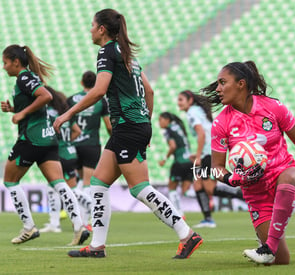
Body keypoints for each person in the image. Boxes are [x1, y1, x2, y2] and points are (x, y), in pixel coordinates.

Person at [53, 9, 203, 258]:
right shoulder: (128, 55)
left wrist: (68, 113)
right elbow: (150, 92)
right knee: (98, 184)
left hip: (128, 127)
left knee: (139, 188)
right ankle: (97, 246)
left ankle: (187, 233)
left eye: (92, 25)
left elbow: (99, 90)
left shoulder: (107, 51)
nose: (90, 29)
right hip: (133, 126)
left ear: (102, 29)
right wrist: (146, 123)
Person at [202, 61, 295, 264]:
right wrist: (231, 178)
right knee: (281, 261)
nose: (218, 89)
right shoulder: (221, 123)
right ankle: (271, 248)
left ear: (241, 84)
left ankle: (267, 247)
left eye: (223, 82)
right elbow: (216, 167)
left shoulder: (273, 107)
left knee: (288, 178)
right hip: (256, 193)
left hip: (286, 172)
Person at [1, 44, 90, 245]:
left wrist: (21, 113)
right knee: (60, 183)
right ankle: (78, 226)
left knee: (10, 180)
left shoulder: (24, 78)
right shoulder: (30, 77)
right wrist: (14, 108)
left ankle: (28, 227)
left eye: (5, 62)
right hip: (48, 139)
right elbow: (37, 102)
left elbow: (46, 97)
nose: (4, 67)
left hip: (31, 139)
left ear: (16, 62)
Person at [177, 90, 243, 228]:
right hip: (209, 151)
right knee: (198, 185)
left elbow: (201, 134)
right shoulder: (198, 111)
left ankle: (241, 194)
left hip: (208, 153)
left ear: (190, 101)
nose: (178, 102)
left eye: (181, 99)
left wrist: (199, 155)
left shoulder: (192, 113)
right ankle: (208, 219)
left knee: (209, 188)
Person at [40, 86, 93, 233]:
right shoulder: (66, 114)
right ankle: (54, 223)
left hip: (59, 154)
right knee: (53, 188)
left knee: (67, 190)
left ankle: (93, 208)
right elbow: (77, 131)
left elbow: (47, 133)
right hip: (70, 152)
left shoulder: (49, 114)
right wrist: (68, 141)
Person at [67, 70, 112, 225]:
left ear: (81, 82)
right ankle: (86, 220)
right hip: (91, 145)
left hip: (74, 144)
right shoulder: (101, 101)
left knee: (78, 180)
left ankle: (78, 216)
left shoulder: (72, 99)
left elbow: (67, 121)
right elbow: (108, 125)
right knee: (88, 182)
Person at [158, 112, 195, 218]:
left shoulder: (168, 130)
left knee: (172, 188)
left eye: (160, 120)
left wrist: (165, 159)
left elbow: (173, 146)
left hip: (179, 162)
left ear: (167, 120)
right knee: (186, 191)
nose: (159, 123)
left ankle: (179, 213)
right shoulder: (178, 127)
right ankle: (204, 194)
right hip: (189, 163)